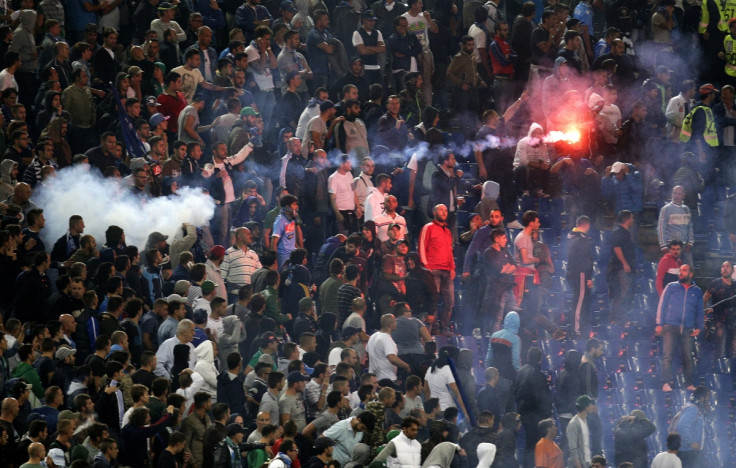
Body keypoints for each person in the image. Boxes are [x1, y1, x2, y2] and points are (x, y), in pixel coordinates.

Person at [656, 264, 703, 392]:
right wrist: (659, 323)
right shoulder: (671, 287)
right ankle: (666, 382)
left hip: (687, 328)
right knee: (667, 355)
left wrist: (699, 327)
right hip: (670, 326)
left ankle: (688, 383)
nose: (681, 273)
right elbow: (662, 304)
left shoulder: (697, 291)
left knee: (688, 357)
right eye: (680, 270)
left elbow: (699, 310)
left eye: (684, 270)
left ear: (691, 274)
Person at [418, 204, 455, 336]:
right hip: (433, 270)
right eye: (441, 210)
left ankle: (444, 328)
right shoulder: (428, 227)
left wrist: (452, 267)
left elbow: (450, 250)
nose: (444, 212)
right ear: (434, 212)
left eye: (446, 210)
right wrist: (426, 266)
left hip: (447, 271)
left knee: (450, 302)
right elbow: (422, 246)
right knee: (433, 300)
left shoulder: (448, 231)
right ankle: (433, 330)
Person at [607, 210, 636, 324]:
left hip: (625, 268)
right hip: (620, 268)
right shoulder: (618, 232)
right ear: (627, 219)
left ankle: (620, 318)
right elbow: (617, 248)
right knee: (621, 293)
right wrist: (625, 263)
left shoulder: (625, 232)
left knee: (624, 293)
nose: (633, 220)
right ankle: (617, 318)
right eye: (632, 218)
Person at [671, 386, 709, 468]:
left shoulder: (693, 407)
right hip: (688, 451)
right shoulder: (693, 409)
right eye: (707, 397)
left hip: (690, 450)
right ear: (702, 397)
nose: (708, 399)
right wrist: (691, 442)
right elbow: (682, 427)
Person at [657, 186, 695, 266]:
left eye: (679, 194)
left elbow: (690, 227)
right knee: (672, 272)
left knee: (688, 271)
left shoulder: (686, 209)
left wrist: (690, 242)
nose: (677, 196)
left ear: (683, 195)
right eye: (675, 193)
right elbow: (661, 228)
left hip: (684, 246)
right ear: (672, 194)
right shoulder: (666, 209)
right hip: (671, 247)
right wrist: (663, 246)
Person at [566, 395, 595, 468]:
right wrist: (579, 466)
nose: (593, 406)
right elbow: (573, 448)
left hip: (587, 463)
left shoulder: (585, 421)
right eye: (591, 404)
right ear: (586, 407)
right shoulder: (573, 424)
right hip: (578, 465)